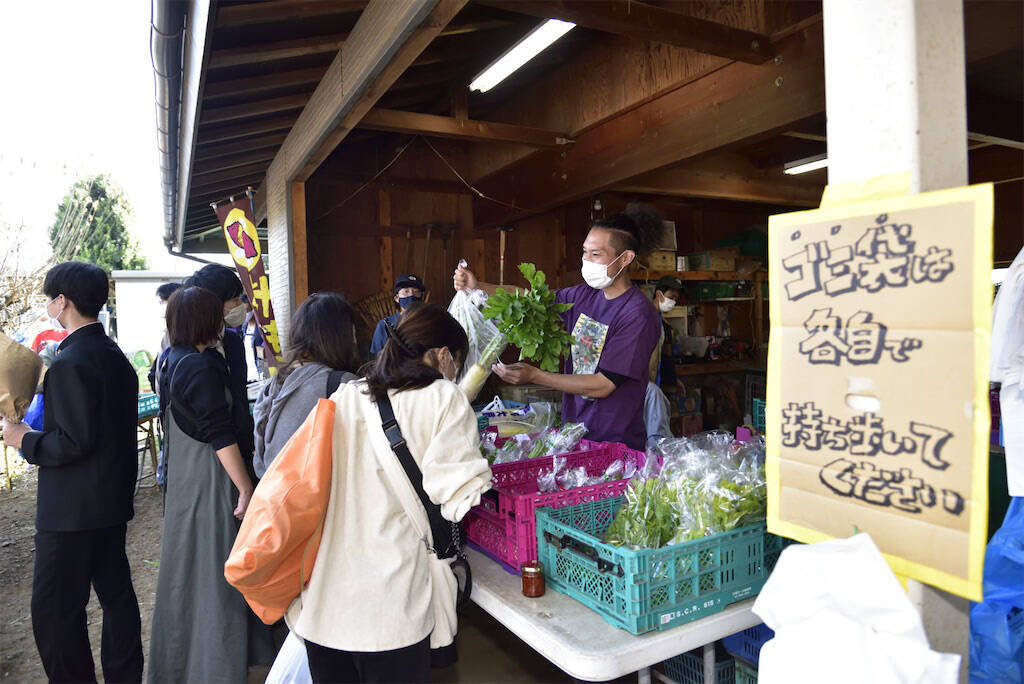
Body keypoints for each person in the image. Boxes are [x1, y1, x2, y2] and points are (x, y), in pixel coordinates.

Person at [285, 303, 491, 684]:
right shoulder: (444, 396)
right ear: (444, 355)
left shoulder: (346, 395)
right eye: (458, 362)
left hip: (326, 606)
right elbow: (459, 496)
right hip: (390, 610)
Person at [1, 261, 144, 683]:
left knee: (54, 613)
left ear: (62, 301)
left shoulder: (70, 362)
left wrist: (22, 438)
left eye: (50, 298)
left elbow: (73, 442)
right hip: (111, 505)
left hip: (70, 514)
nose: (48, 305)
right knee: (117, 601)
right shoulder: (115, 355)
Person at [454, 203, 664, 450]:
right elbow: (529, 300)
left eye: (596, 254)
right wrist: (479, 286)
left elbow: (604, 384)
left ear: (625, 258)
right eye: (584, 252)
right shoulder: (584, 295)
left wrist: (535, 376)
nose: (586, 260)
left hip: (614, 442)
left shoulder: (637, 313)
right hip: (574, 434)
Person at [147, 286, 257, 683]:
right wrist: (245, 488)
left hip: (183, 480)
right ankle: (215, 666)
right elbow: (219, 433)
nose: (224, 320)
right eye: (218, 314)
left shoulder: (169, 358)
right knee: (215, 569)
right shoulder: (199, 365)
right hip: (209, 479)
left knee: (187, 568)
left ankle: (182, 664)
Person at [253, 292, 361, 478]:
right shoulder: (341, 385)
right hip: (320, 493)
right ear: (340, 336)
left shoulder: (275, 384)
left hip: (275, 489)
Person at [181, 264, 255, 469]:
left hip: (241, 448)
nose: (241, 305)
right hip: (208, 457)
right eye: (234, 300)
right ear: (212, 304)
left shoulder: (233, 342)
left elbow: (239, 395)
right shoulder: (190, 353)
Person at [369, 273, 427, 355]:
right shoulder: (384, 326)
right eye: (406, 291)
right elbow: (377, 358)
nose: (411, 295)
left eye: (416, 291)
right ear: (397, 298)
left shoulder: (428, 322)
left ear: (421, 297)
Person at [650, 275, 683, 386]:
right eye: (671, 297)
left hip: (656, 383)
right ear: (659, 294)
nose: (673, 302)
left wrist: (674, 380)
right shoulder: (644, 319)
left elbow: (665, 357)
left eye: (676, 299)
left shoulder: (664, 324)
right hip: (643, 386)